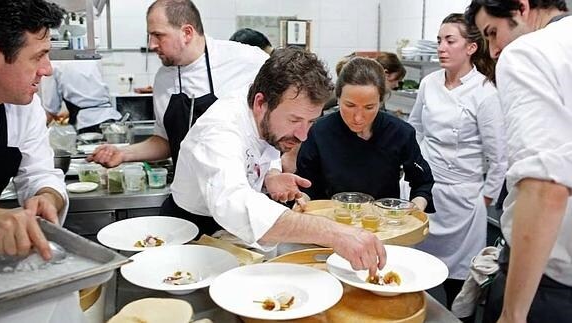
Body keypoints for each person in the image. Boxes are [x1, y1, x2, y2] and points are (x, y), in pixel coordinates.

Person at [171, 47, 387, 275]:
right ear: (260, 103)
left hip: (234, 235)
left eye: (311, 122)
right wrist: (336, 233)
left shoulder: (268, 113)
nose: (303, 135)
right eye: (295, 120)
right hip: (195, 233)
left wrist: (270, 176)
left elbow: (266, 144)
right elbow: (234, 203)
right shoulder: (218, 132)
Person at [89, 0, 269, 227]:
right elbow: (165, 141)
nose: (152, 44)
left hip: (237, 205)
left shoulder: (247, 60)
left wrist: (276, 168)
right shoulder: (164, 79)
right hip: (187, 203)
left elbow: (280, 116)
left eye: (158, 35)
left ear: (187, 32)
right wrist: (123, 154)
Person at [465, 1, 571, 322]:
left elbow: (545, 186)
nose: (495, 50)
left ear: (521, 7)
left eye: (493, 33)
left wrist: (513, 314)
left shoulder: (530, 51)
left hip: (548, 284)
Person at [407, 13, 507, 311]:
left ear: (471, 47)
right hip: (424, 195)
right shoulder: (429, 83)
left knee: (459, 279)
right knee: (415, 268)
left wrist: (485, 198)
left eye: (450, 40)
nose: (441, 47)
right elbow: (415, 129)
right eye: (439, 40)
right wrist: (414, 175)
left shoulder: (485, 92)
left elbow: (498, 156)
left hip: (464, 201)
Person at [0, 1, 80, 322]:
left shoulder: (24, 107)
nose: (47, 69)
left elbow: (40, 172)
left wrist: (47, 196)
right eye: (38, 56)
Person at [294, 57, 434, 213]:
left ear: (381, 101)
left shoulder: (399, 132)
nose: (358, 118)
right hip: (331, 222)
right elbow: (306, 184)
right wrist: (301, 201)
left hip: (380, 224)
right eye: (350, 105)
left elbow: (423, 183)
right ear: (338, 98)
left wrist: (416, 208)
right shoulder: (319, 131)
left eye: (369, 107)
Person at [40, 59, 122, 134]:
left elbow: (51, 108)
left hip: (88, 125)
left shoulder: (51, 66)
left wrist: (39, 130)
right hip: (112, 117)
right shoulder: (89, 58)